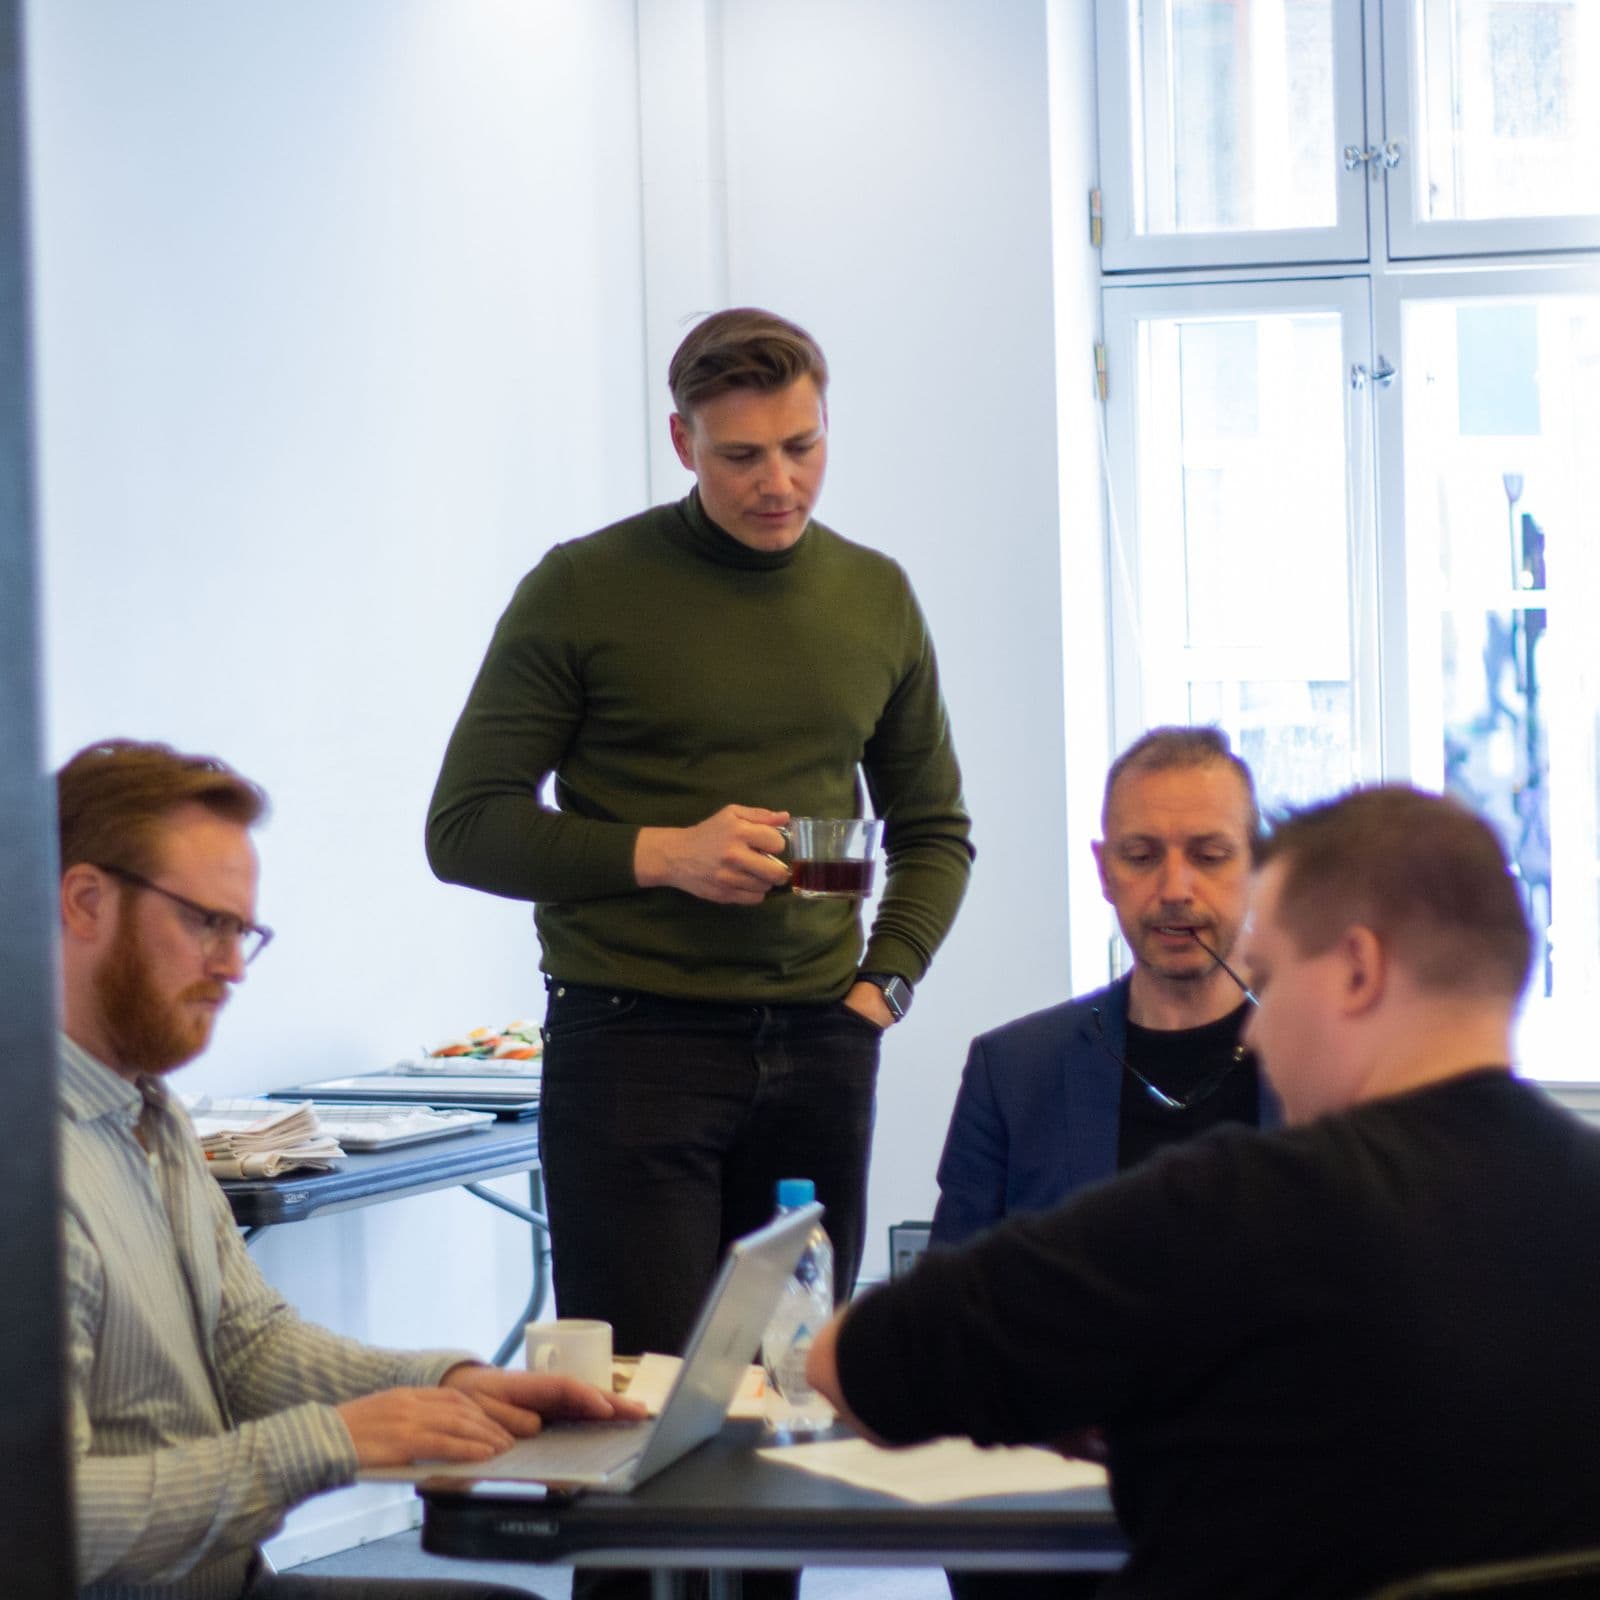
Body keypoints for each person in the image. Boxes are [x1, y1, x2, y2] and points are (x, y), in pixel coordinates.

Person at [809, 786, 1600, 1599]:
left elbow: (853, 1362)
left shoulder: (1235, 1207)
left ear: (1358, 971)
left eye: (1270, 977)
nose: (1256, 1026)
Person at [426, 307, 973, 1364]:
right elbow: (465, 828)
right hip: (634, 1045)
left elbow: (934, 831)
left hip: (822, 1042)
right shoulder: (582, 588)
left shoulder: (875, 595)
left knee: (796, 1392)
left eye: (802, 446)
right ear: (682, 442)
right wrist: (664, 854)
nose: (779, 482)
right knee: (646, 1403)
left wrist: (881, 990)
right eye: (741, 456)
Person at [56, 739, 641, 1600]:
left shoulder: (149, 1111)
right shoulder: (32, 1178)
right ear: (85, 902)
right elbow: (43, 1519)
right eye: (205, 922)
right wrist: (329, 1443)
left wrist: (453, 1386)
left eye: (243, 932)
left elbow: (249, 1344)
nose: (231, 967)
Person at [931, 726, 1278, 1254]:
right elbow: (949, 1297)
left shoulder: (1339, 1066)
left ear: (1257, 866)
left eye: (1208, 856)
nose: (1175, 890)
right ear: (1104, 871)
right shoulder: (1013, 1075)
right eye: (1141, 856)